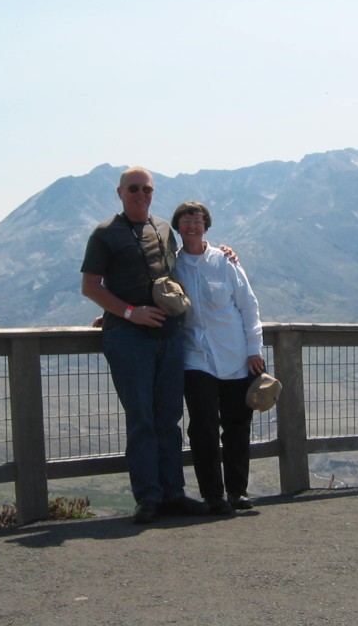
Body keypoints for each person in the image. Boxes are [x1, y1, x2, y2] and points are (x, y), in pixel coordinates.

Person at [80, 167, 209, 524]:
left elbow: (184, 264)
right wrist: (126, 312)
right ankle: (148, 497)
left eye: (147, 188)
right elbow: (91, 286)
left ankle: (173, 494)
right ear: (120, 192)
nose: (141, 193)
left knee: (169, 416)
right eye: (134, 188)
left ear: (153, 192)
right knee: (142, 419)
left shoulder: (165, 228)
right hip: (129, 337)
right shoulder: (105, 234)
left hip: (168, 334)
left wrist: (224, 252)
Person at [171, 200, 265, 515]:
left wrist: (254, 348)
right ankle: (214, 495)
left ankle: (237, 491)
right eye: (186, 222)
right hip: (196, 358)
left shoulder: (225, 262)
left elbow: (248, 305)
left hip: (235, 356)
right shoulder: (173, 266)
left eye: (197, 221)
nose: (192, 227)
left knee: (237, 426)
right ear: (178, 227)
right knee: (203, 427)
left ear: (206, 226)